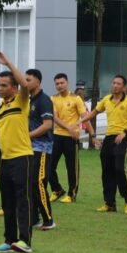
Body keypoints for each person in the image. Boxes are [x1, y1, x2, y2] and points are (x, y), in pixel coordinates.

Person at [0, 51, 34, 253]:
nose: (0, 88)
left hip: (21, 157)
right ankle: (10, 240)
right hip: (5, 159)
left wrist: (8, 62)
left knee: (22, 200)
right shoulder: (2, 106)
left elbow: (25, 85)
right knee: (7, 202)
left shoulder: (21, 101)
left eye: (4, 85)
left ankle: (25, 241)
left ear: (14, 88)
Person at [79, 75, 127, 214]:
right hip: (108, 138)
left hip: (122, 138)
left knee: (119, 169)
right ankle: (109, 203)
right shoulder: (106, 99)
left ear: (123, 87)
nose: (115, 85)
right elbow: (94, 112)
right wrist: (80, 121)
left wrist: (125, 132)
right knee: (107, 171)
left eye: (118, 83)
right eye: (113, 83)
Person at [48, 73, 94, 203]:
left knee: (71, 168)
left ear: (67, 83)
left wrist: (93, 135)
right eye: (57, 84)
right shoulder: (53, 98)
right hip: (57, 136)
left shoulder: (76, 99)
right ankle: (57, 189)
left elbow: (85, 117)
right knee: (49, 166)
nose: (59, 85)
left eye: (62, 83)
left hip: (71, 139)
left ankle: (71, 194)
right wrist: (69, 128)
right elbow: (54, 117)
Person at [26, 68, 56, 230]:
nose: (25, 83)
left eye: (28, 80)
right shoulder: (30, 100)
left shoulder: (44, 100)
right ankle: (33, 218)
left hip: (42, 147)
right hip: (30, 147)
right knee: (30, 183)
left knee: (38, 182)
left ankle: (48, 220)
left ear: (37, 82)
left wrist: (28, 136)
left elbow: (47, 125)